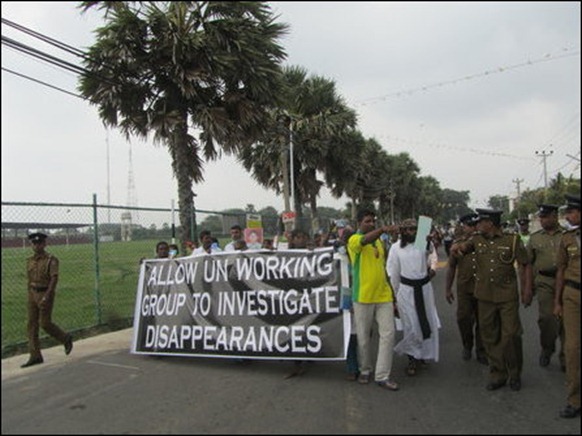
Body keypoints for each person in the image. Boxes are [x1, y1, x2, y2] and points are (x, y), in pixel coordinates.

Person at [451, 208, 530, 392]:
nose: (477, 225)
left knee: (511, 335)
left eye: (481, 222)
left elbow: (525, 265)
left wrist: (527, 289)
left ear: (490, 223)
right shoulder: (476, 240)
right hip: (485, 296)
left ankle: (515, 372)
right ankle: (498, 373)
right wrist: (456, 248)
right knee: (489, 336)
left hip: (507, 296)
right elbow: (462, 249)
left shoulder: (512, 240)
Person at [348, 209, 399, 391]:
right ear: (359, 223)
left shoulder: (378, 242)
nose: (371, 224)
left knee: (388, 334)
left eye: (373, 221)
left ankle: (382, 375)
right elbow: (364, 240)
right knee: (363, 338)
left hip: (383, 295)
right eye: (367, 221)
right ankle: (365, 369)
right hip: (363, 297)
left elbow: (384, 270)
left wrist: (393, 296)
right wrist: (383, 229)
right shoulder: (354, 240)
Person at [387, 218, 441, 376]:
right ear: (403, 232)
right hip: (406, 291)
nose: (413, 232)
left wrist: (426, 234)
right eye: (409, 230)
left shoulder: (421, 244)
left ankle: (422, 355)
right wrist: (395, 297)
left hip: (424, 290)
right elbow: (393, 273)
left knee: (425, 323)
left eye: (415, 230)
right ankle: (412, 358)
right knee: (411, 326)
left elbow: (430, 249)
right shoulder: (396, 248)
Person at [21, 232, 73, 368]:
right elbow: (29, 279)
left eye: (39, 243)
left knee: (45, 323)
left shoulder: (51, 260)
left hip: (45, 293)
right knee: (31, 325)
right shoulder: (30, 261)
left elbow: (54, 278)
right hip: (33, 293)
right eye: (34, 243)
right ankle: (35, 355)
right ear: (31, 245)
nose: (37, 246)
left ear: (44, 244)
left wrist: (47, 296)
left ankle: (65, 338)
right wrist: (30, 295)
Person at [525, 204, 566, 370]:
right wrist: (527, 288)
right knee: (547, 319)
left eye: (545, 217)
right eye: (540, 217)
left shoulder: (567, 235)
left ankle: (566, 357)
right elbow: (527, 264)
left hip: (566, 281)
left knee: (567, 321)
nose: (542, 220)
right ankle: (547, 348)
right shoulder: (535, 238)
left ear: (555, 216)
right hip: (544, 282)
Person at [445, 213, 487, 365]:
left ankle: (481, 350)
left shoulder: (485, 241)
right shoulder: (458, 243)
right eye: (469, 225)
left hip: (483, 287)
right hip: (465, 287)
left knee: (483, 320)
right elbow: (451, 267)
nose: (472, 228)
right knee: (463, 318)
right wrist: (447, 289)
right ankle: (467, 345)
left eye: (474, 225)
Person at [553, 193, 581, 419]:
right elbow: (561, 270)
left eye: (571, 212)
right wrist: (558, 301)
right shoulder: (567, 238)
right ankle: (574, 399)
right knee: (572, 349)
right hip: (572, 295)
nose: (567, 216)